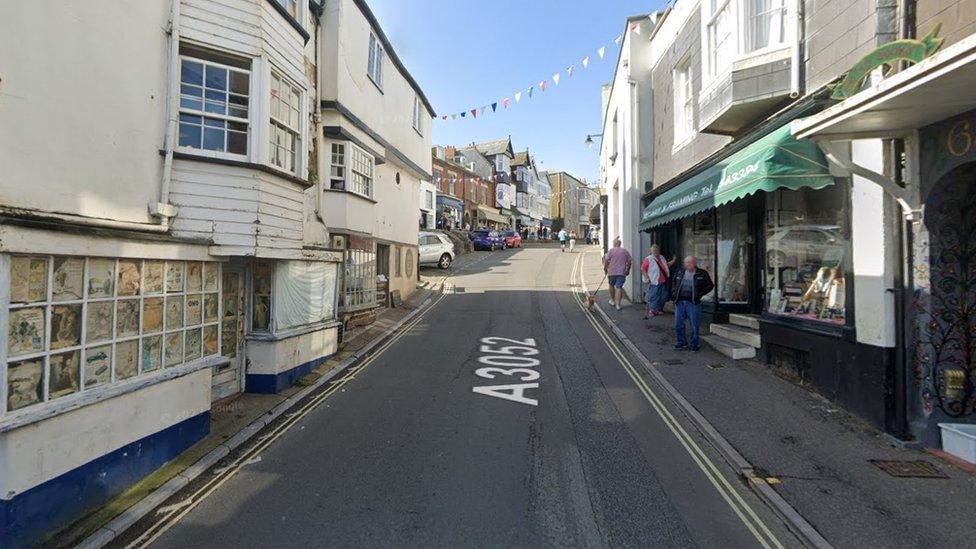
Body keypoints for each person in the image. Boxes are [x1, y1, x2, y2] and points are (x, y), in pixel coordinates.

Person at [669, 255, 714, 351]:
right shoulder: (680, 272)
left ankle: (694, 344)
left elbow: (710, 285)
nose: (688, 264)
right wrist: (673, 292)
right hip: (679, 302)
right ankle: (681, 343)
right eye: (686, 262)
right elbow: (673, 283)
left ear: (695, 263)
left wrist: (700, 294)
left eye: (690, 262)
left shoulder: (702, 273)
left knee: (694, 325)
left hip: (693, 303)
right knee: (678, 324)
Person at [640, 244, 671, 319]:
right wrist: (647, 278)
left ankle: (659, 309)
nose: (655, 252)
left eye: (656, 250)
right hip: (654, 280)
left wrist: (674, 260)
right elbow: (643, 269)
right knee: (654, 296)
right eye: (654, 250)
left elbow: (666, 265)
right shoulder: (649, 259)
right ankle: (652, 310)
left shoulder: (661, 257)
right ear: (651, 251)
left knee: (663, 296)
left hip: (664, 280)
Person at [603, 238, 632, 311]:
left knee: (611, 285)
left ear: (614, 244)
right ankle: (618, 305)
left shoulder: (611, 251)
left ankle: (612, 300)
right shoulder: (625, 251)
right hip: (621, 272)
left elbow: (606, 260)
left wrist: (605, 268)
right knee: (619, 287)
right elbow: (629, 261)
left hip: (612, 272)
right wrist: (628, 270)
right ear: (620, 244)